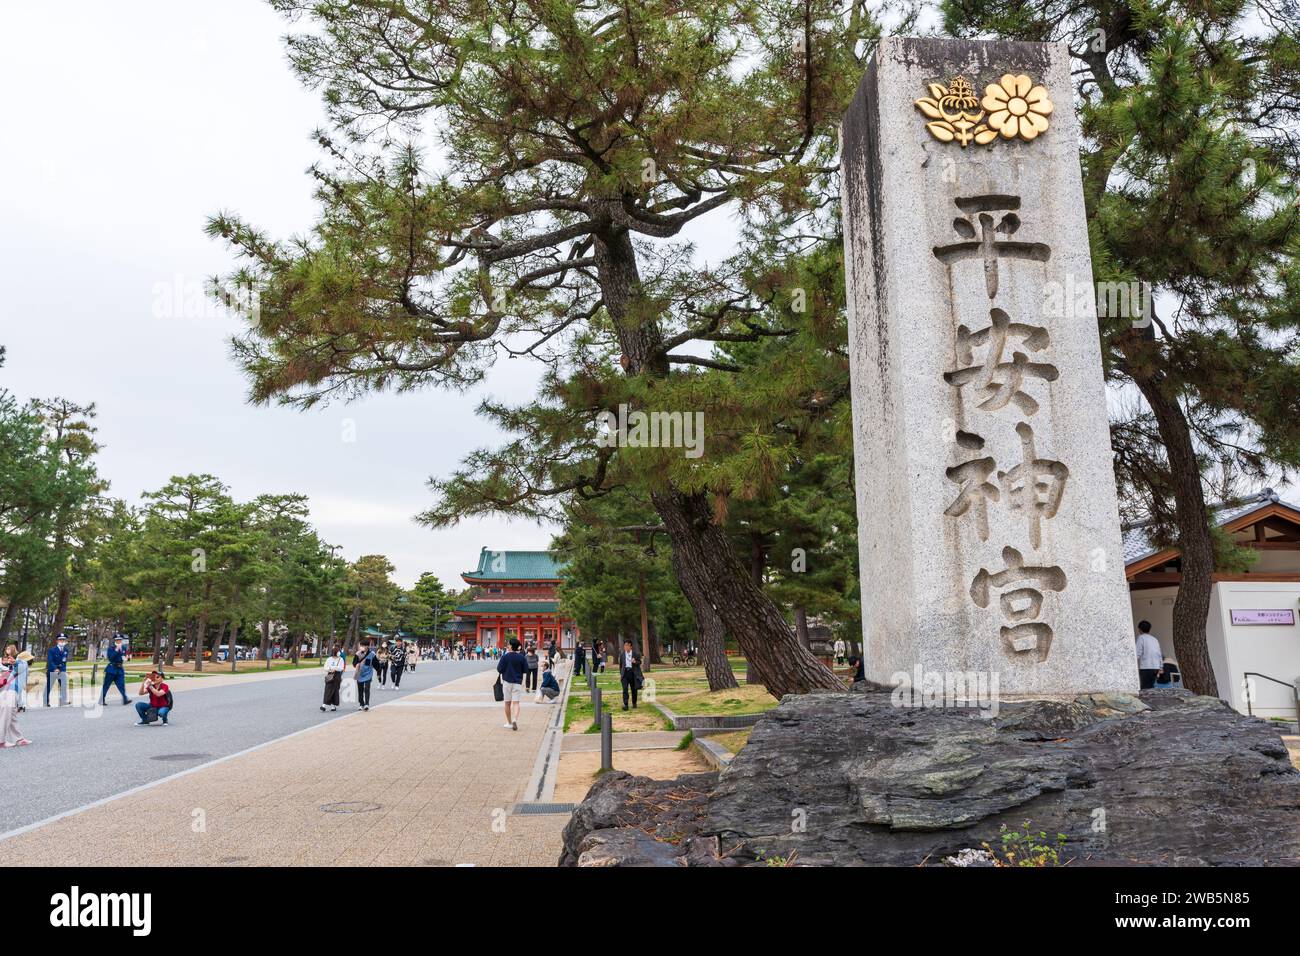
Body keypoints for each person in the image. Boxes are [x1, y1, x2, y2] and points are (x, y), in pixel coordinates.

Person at [0, 647, 31, 748]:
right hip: (10, 693)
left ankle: (18, 739)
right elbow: (20, 665)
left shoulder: (18, 668)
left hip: (8, 692)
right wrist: (16, 661)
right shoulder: (23, 663)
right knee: (6, 717)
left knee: (12, 717)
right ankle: (1, 741)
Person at [497, 638, 528, 731]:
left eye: (508, 644)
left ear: (511, 646)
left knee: (507, 703)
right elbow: (525, 670)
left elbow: (499, 669)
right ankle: (515, 719)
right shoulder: (522, 657)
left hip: (507, 681)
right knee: (516, 703)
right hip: (517, 682)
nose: (507, 645)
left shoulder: (505, 657)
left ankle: (509, 722)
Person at [100, 635, 131, 707]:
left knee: (121, 685)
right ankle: (102, 699)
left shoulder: (123, 647)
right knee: (106, 685)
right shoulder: (111, 648)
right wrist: (116, 650)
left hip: (120, 669)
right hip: (112, 669)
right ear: (115, 640)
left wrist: (125, 658)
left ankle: (125, 699)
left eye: (120, 640)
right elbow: (110, 658)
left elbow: (123, 656)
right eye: (117, 640)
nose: (119, 641)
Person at [1135, 621, 1163, 690]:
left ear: (1139, 629)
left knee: (1145, 689)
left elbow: (1137, 653)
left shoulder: (1141, 638)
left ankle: (1145, 701)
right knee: (1151, 688)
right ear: (1149, 629)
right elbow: (1159, 654)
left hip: (1145, 667)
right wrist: (1161, 667)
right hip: (1155, 667)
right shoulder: (1154, 639)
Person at [45, 635, 69, 707]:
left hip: (61, 670)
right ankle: (46, 701)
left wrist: (63, 670)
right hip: (52, 670)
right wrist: (55, 668)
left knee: (63, 686)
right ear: (57, 641)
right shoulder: (52, 650)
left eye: (63, 640)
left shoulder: (66, 650)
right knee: (49, 686)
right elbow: (50, 661)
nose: (62, 641)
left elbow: (64, 661)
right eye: (60, 640)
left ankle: (63, 701)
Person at [619, 639, 643, 710]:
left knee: (634, 689)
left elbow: (640, 662)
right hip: (625, 674)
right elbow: (621, 665)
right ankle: (625, 704)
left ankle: (634, 703)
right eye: (625, 645)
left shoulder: (635, 654)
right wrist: (621, 673)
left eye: (627, 645)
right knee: (625, 689)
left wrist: (635, 661)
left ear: (631, 646)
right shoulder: (622, 655)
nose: (625, 647)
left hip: (633, 673)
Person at [321, 645, 345, 711]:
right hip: (330, 675)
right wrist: (330, 668)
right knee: (327, 689)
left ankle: (333, 705)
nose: (339, 653)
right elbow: (325, 667)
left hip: (337, 676)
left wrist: (335, 668)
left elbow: (341, 668)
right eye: (338, 652)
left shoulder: (341, 659)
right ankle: (324, 705)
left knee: (335, 690)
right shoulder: (329, 659)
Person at [353, 641, 375, 710]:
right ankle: (361, 704)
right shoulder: (358, 654)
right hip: (360, 673)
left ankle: (366, 704)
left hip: (368, 674)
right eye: (361, 645)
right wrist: (357, 664)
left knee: (367, 688)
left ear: (367, 646)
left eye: (363, 645)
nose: (361, 647)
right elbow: (354, 663)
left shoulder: (372, 654)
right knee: (360, 689)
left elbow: (375, 663)